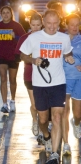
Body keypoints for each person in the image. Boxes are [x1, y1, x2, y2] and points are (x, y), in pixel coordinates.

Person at [20, 9, 74, 164]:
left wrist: (68, 58)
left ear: (59, 23)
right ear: (43, 22)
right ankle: (46, 135)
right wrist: (33, 60)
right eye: (49, 23)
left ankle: (55, 155)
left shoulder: (64, 38)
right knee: (43, 119)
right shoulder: (34, 37)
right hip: (39, 84)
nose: (52, 26)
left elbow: (66, 53)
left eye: (55, 23)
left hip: (58, 83)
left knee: (57, 117)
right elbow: (22, 54)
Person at [15, 10, 43, 136]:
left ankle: (44, 126)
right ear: (29, 25)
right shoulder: (24, 38)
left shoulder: (47, 38)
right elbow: (19, 56)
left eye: (38, 25)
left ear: (42, 25)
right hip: (30, 75)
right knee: (35, 105)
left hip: (46, 76)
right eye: (33, 25)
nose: (36, 28)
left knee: (44, 105)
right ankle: (35, 120)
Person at [0, 5, 25, 113]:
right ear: (1, 15)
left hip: (13, 56)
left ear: (11, 14)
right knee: (3, 78)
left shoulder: (16, 26)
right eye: (4, 13)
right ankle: (4, 103)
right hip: (1, 55)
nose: (6, 15)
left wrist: (14, 36)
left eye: (8, 12)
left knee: (12, 80)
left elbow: (24, 39)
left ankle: (12, 101)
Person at [62, 13, 81, 156]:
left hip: (79, 79)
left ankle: (76, 123)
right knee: (64, 111)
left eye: (77, 24)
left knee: (78, 113)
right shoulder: (60, 38)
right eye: (72, 24)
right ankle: (66, 144)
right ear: (66, 25)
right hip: (62, 79)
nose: (74, 27)